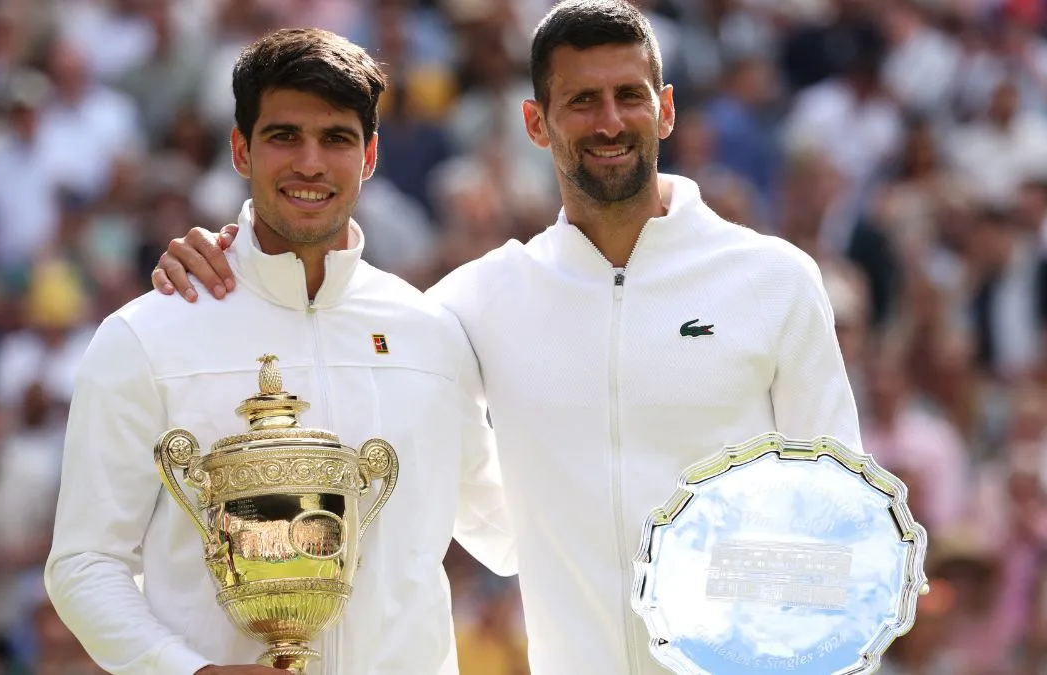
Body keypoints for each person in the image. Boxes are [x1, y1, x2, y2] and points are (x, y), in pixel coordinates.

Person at [150, 1, 862, 673]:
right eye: (582, 100)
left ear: (665, 109)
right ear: (536, 122)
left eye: (629, 95)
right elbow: (328, 321)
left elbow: (846, 523)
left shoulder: (776, 280)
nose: (609, 121)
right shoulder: (476, 301)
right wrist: (233, 261)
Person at [44, 28, 515, 675]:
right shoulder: (145, 335)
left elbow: (508, 529)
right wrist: (191, 672)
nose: (310, 163)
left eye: (337, 138)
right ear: (241, 149)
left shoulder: (430, 332)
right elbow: (84, 562)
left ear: (371, 153)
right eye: (284, 136)